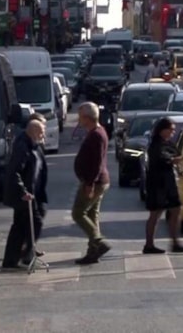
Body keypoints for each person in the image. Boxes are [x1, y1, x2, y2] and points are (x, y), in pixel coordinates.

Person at [1, 119, 48, 270]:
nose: (43, 135)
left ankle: (13, 259)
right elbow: (14, 171)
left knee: (20, 226)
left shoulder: (34, 144)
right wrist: (23, 192)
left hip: (34, 193)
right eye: (41, 132)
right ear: (33, 131)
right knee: (34, 223)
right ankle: (25, 255)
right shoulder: (23, 146)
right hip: (25, 195)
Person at [72, 102, 112, 264]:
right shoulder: (96, 132)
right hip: (98, 180)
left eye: (80, 116)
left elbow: (96, 162)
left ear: (87, 118)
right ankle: (93, 251)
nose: (78, 119)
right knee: (91, 215)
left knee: (78, 213)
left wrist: (90, 184)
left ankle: (98, 241)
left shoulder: (96, 135)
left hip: (94, 181)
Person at [143, 118, 183, 254]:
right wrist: (173, 160)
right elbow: (163, 159)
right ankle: (149, 245)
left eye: (173, 130)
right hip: (157, 184)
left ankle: (175, 242)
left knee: (176, 209)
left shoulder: (168, 143)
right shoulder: (155, 145)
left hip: (169, 182)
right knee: (155, 213)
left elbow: (177, 159)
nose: (172, 132)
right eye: (170, 129)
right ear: (162, 130)